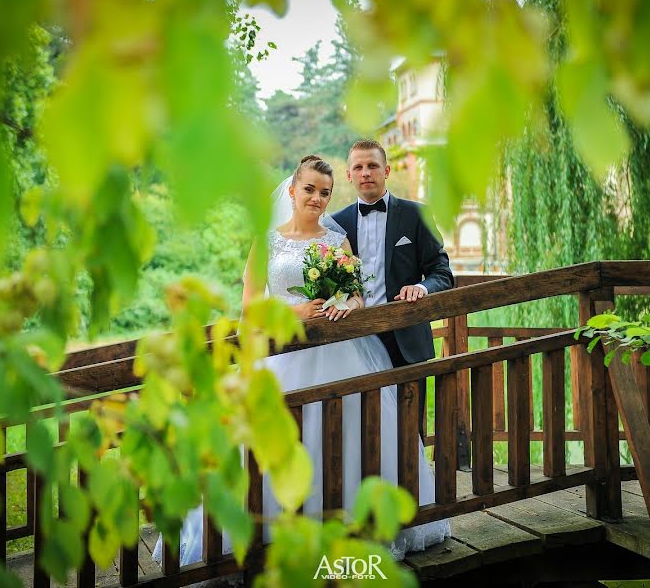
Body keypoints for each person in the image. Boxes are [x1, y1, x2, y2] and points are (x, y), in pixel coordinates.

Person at [152, 155, 450, 574]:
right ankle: (267, 537)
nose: (317, 198)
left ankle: (348, 532)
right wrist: (296, 313)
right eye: (309, 189)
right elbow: (250, 308)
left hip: (340, 355)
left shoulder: (336, 241)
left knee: (348, 433)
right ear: (291, 191)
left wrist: (343, 303)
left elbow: (358, 295)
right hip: (281, 359)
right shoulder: (267, 241)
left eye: (325, 192)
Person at [331, 140, 454, 437]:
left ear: (385, 170)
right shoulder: (336, 224)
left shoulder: (416, 215)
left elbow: (442, 273)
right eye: (358, 167)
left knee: (409, 429)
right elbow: (334, 286)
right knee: (361, 428)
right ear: (349, 175)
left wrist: (421, 288)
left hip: (406, 338)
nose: (365, 173)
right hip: (355, 340)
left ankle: (412, 484)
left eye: (372, 166)